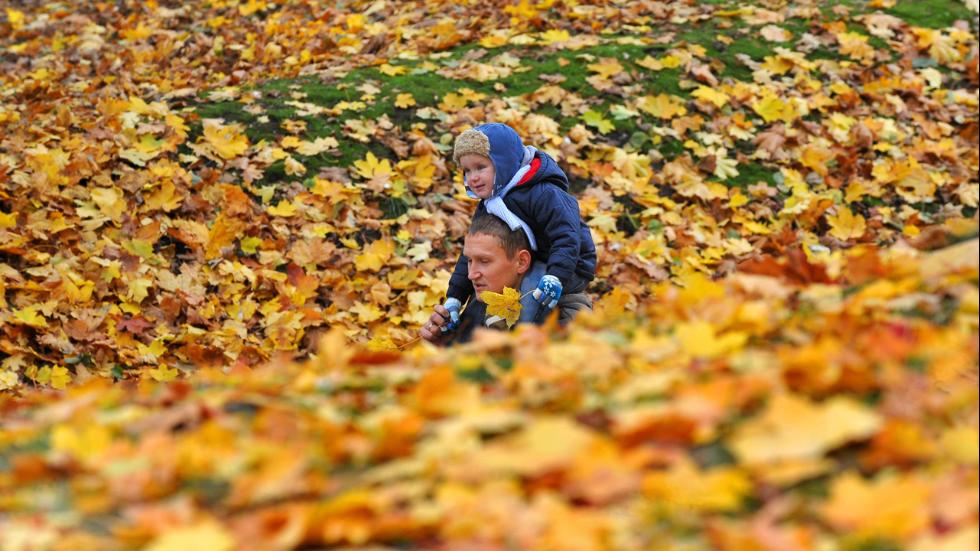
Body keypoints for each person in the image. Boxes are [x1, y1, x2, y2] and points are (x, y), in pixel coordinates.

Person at [441, 122, 597, 330]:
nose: (473, 177)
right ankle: (479, 330)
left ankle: (519, 335)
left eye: (481, 167)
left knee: (531, 292)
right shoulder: (490, 204)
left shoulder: (544, 193)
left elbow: (567, 236)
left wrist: (556, 275)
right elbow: (471, 253)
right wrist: (455, 297)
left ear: (503, 163)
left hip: (568, 263)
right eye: (467, 170)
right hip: (526, 260)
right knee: (491, 283)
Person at [421, 213, 586, 345]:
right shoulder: (483, 298)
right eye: (470, 261)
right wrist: (440, 342)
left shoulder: (570, 318)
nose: (471, 274)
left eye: (484, 261)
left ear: (521, 262)